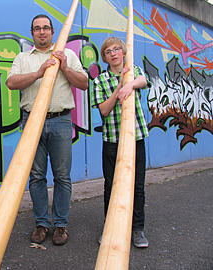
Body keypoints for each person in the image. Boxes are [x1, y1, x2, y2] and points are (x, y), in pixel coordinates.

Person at [6, 14, 88, 245]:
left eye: (46, 28)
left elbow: (83, 83)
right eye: (37, 29)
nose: (42, 32)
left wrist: (64, 67)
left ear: (52, 32)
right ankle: (42, 224)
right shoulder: (23, 58)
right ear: (32, 33)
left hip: (61, 121)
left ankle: (60, 225)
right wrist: (39, 73)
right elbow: (11, 83)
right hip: (31, 121)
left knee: (62, 176)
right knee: (36, 176)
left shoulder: (67, 54)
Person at [91, 37, 151, 248]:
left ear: (123, 52)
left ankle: (137, 229)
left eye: (117, 49)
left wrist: (130, 83)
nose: (114, 53)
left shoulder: (132, 70)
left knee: (138, 187)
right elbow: (104, 111)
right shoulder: (99, 81)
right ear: (105, 57)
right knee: (111, 186)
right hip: (112, 140)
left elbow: (144, 81)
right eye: (108, 51)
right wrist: (119, 89)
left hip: (136, 137)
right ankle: (111, 226)